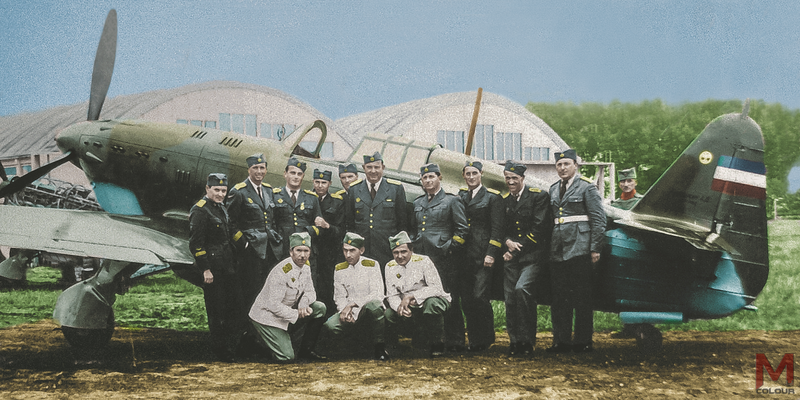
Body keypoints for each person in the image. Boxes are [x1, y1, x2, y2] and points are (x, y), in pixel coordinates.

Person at [547, 149, 606, 353]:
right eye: (559, 165)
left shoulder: (587, 188)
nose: (562, 168)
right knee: (559, 298)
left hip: (580, 248)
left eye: (566, 164)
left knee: (582, 298)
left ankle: (583, 341)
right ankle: (560, 341)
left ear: (576, 165)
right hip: (558, 249)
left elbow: (599, 219)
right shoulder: (554, 189)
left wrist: (595, 248)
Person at [412, 163, 468, 352]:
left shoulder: (452, 201)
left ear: (439, 178)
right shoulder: (418, 203)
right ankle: (431, 340)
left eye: (431, 177)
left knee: (449, 298)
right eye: (424, 178)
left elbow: (462, 229)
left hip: (444, 259)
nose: (428, 181)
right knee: (424, 298)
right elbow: (416, 229)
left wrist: (450, 248)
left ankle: (456, 341)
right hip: (422, 258)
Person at [249, 232, 327, 362]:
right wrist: (296, 313)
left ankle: (306, 350)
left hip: (285, 313)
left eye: (306, 251)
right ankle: (256, 342)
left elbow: (310, 292)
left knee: (319, 308)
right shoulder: (282, 271)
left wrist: (304, 302)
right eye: (298, 250)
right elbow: (272, 305)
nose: (302, 255)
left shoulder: (306, 267)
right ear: (291, 252)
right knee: (287, 357)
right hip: (267, 316)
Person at [189, 173, 243, 362]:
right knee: (217, 311)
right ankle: (221, 351)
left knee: (232, 308)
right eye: (216, 190)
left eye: (223, 190)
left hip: (228, 266)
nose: (220, 194)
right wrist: (205, 270)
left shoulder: (221, 208)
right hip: (213, 269)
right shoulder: (200, 210)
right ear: (207, 189)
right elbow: (196, 244)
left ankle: (229, 348)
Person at [501, 161, 551, 356]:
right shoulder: (505, 201)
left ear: (523, 178)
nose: (511, 182)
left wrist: (514, 249)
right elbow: (501, 229)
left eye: (515, 178)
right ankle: (514, 342)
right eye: (508, 178)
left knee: (522, 290)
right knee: (510, 298)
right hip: (511, 258)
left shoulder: (538, 197)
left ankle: (527, 341)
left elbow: (539, 229)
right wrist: (506, 242)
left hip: (532, 256)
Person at [458, 160, 503, 352]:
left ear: (481, 174)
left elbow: (498, 228)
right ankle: (474, 340)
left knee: (480, 297)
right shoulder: (460, 196)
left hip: (483, 254)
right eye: (467, 174)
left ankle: (486, 337)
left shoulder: (492, 197)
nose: (471, 177)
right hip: (465, 256)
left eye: (474, 173)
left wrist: (491, 253)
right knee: (467, 299)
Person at [226, 153, 281, 311]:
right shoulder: (239, 191)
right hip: (251, 251)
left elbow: (272, 218)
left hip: (269, 249)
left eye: (262, 168)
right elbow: (229, 222)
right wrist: (244, 243)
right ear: (248, 169)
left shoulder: (268, 190)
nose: (259, 171)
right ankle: (249, 329)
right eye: (255, 168)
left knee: (268, 288)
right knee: (252, 290)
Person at [322, 232, 388, 360]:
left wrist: (352, 304)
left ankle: (379, 348)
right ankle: (351, 346)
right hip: (349, 312)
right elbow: (339, 296)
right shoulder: (339, 269)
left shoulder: (372, 265)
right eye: (345, 250)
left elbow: (377, 294)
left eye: (352, 250)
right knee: (330, 326)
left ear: (361, 250)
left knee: (375, 306)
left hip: (366, 310)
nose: (348, 255)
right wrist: (344, 311)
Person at [384, 231, 451, 358]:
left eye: (403, 251)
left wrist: (411, 297)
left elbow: (436, 288)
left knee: (432, 305)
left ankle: (437, 343)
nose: (400, 256)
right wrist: (400, 307)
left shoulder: (423, 261)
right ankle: (393, 347)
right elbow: (391, 294)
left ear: (411, 250)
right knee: (388, 314)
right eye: (396, 252)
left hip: (429, 301)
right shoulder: (390, 266)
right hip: (408, 307)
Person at [345, 152, 407, 268]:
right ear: (363, 168)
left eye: (376, 167)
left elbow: (402, 223)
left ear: (383, 168)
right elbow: (350, 222)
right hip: (363, 250)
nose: (373, 171)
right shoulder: (354, 189)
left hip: (387, 249)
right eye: (369, 167)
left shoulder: (395, 189)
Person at [272, 157, 328, 257]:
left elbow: (320, 226)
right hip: (281, 249)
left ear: (303, 176)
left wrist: (307, 232)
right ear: (285, 174)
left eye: (299, 174)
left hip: (304, 250)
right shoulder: (274, 196)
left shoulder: (312, 198)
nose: (296, 177)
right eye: (293, 173)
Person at [312, 168, 345, 314]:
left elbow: (340, 231)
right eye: (317, 182)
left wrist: (327, 226)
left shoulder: (337, 203)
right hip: (310, 250)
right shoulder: (306, 198)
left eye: (323, 182)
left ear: (330, 183)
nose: (320, 186)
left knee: (327, 287)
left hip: (328, 252)